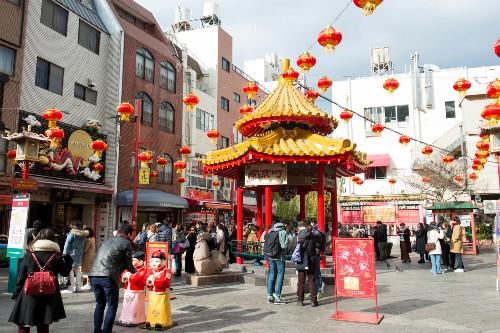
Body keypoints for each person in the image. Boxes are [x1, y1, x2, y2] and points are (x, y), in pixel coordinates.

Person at [9, 228, 73, 333]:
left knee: (24, 324)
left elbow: (21, 277)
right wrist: (69, 261)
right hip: (49, 295)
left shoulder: (29, 255)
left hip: (29, 293)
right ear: (53, 240)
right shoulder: (56, 256)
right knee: (43, 325)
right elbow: (65, 273)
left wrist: (16, 294)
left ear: (37, 238)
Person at [89, 222, 136, 333]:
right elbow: (129, 265)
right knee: (112, 306)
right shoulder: (126, 243)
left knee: (100, 304)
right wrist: (136, 271)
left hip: (94, 275)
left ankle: (97, 331)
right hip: (108, 277)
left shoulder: (107, 240)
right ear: (129, 234)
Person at [115, 251, 148, 327]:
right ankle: (124, 318)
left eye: (134, 260)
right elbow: (123, 273)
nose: (132, 262)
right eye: (131, 260)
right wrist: (125, 275)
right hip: (128, 290)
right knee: (126, 305)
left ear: (141, 261)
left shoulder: (144, 270)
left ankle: (135, 319)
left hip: (137, 292)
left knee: (134, 306)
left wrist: (129, 276)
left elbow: (137, 279)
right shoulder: (130, 268)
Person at [144, 250, 174, 329]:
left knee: (161, 308)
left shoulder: (167, 272)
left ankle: (162, 321)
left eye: (157, 261)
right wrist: (148, 280)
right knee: (152, 307)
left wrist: (153, 281)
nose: (153, 263)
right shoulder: (151, 271)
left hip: (162, 294)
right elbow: (145, 279)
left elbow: (164, 282)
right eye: (152, 261)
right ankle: (150, 320)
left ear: (163, 262)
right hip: (152, 294)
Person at [264, 220, 289, 305]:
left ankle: (270, 296)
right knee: (280, 275)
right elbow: (284, 246)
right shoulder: (282, 232)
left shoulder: (270, 232)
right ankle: (277, 297)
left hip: (271, 256)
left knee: (271, 275)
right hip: (280, 257)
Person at [296, 222, 319, 307]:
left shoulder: (299, 236)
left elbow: (293, 248)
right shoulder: (314, 236)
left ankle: (300, 300)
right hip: (312, 259)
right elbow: (319, 245)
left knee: (301, 281)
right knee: (312, 280)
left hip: (302, 259)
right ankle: (313, 301)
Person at [62, 221, 88, 293]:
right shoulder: (83, 234)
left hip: (71, 254)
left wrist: (64, 254)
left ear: (74, 226)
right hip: (79, 254)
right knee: (78, 270)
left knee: (71, 270)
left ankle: (72, 287)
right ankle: (78, 287)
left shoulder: (72, 234)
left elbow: (67, 244)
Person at [81, 226, 96, 291]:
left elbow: (85, 250)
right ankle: (88, 284)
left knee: (87, 271)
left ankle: (88, 284)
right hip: (91, 256)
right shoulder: (93, 238)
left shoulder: (88, 240)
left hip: (87, 257)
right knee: (89, 270)